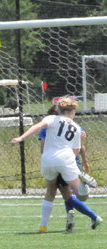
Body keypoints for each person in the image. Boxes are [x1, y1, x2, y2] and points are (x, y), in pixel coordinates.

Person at [11, 97, 102, 232]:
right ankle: (83, 183)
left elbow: (37, 126)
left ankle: (43, 225)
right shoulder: (77, 128)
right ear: (73, 112)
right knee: (82, 195)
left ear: (58, 109)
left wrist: (21, 138)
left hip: (48, 159)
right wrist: (69, 162)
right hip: (67, 159)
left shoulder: (51, 119)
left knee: (50, 191)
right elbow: (77, 150)